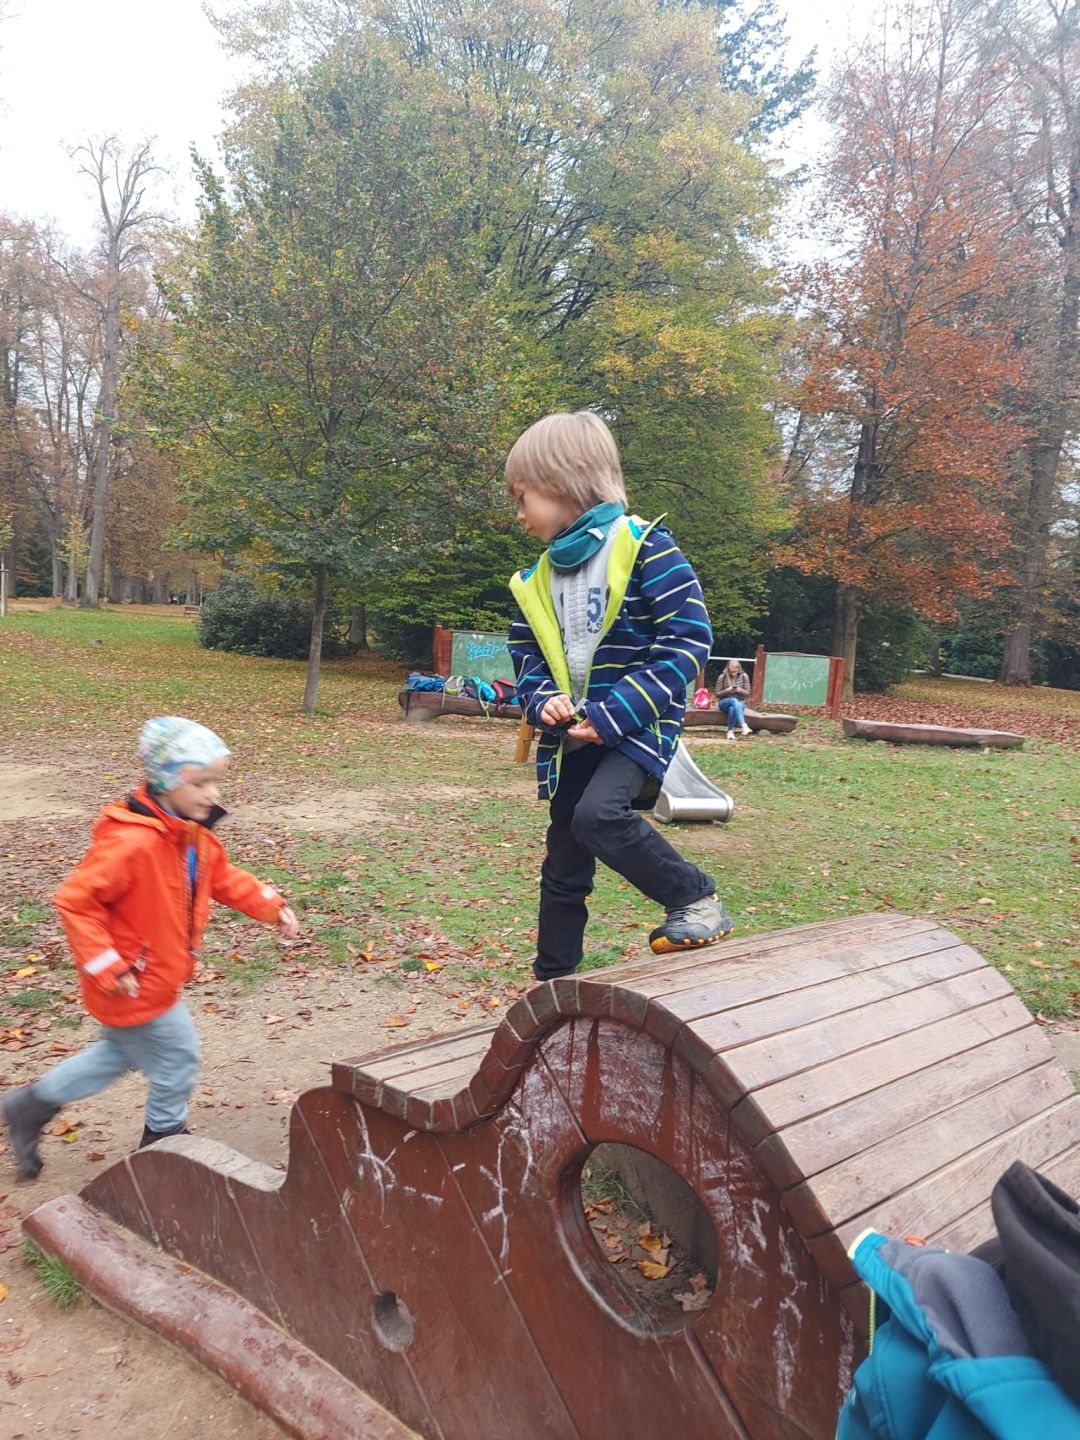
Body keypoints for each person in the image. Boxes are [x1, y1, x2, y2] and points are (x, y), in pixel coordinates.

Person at [0, 717, 300, 1181]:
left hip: (153, 975)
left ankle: (27, 1106)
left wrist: (270, 904)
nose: (213, 793)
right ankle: (164, 1140)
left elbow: (222, 878)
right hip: (130, 983)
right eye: (200, 782)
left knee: (115, 1056)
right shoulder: (134, 843)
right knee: (179, 1057)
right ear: (166, 781)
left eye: (215, 781)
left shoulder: (190, 833)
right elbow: (76, 902)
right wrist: (109, 965)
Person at [506, 409, 734, 981]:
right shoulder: (538, 577)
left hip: (636, 727)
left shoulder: (646, 547)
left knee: (598, 816)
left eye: (522, 497)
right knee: (563, 860)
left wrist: (614, 715)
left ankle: (694, 897)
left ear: (561, 484)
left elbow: (688, 641)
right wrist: (542, 700)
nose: (519, 514)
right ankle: (552, 984)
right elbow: (526, 653)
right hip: (573, 735)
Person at [715, 658, 752, 741]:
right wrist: (727, 690)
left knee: (732, 709)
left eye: (735, 672)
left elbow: (748, 693)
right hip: (724, 701)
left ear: (739, 669)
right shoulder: (722, 677)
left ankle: (730, 732)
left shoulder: (744, 676)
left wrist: (739, 690)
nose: (734, 673)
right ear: (728, 670)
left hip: (740, 702)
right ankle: (743, 725)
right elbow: (717, 694)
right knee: (733, 700)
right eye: (732, 672)